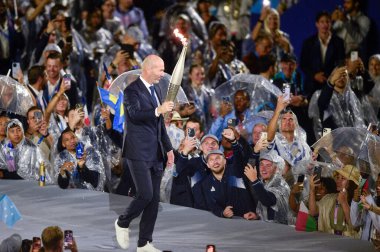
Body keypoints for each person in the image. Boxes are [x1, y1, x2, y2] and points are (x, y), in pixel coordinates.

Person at [115, 55, 174, 252]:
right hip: (138, 151)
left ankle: (144, 243)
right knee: (145, 194)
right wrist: (158, 109)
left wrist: (169, 148)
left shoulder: (156, 89)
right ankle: (122, 222)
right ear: (148, 69)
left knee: (154, 200)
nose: (163, 74)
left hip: (156, 152)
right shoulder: (131, 91)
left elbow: (160, 126)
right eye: (160, 70)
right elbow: (135, 114)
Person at [300, 11, 345, 98]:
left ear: (331, 24)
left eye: (327, 21)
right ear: (317, 24)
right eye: (322, 22)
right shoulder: (308, 43)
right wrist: (314, 75)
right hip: (311, 86)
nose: (325, 24)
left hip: (332, 85)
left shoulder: (338, 42)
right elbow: (303, 64)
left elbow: (341, 63)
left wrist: (331, 78)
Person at [309, 165, 359, 237]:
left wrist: (344, 203)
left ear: (351, 182)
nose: (338, 181)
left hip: (347, 244)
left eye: (343, 178)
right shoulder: (329, 198)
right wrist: (312, 190)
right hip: (329, 241)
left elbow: (355, 226)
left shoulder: (357, 201)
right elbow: (313, 212)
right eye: (338, 177)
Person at [244, 152, 290, 224]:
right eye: (261, 165)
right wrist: (257, 216)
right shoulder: (264, 183)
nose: (263, 169)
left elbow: (268, 201)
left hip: (280, 230)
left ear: (276, 169)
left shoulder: (281, 185)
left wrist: (254, 180)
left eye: (268, 165)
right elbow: (267, 208)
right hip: (267, 228)